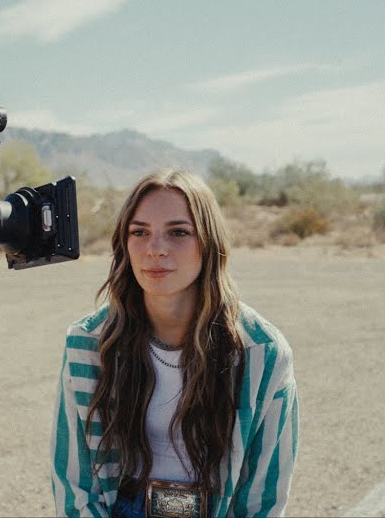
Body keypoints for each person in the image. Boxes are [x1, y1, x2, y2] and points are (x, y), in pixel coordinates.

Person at [50, 169, 298, 517]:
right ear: (125, 244)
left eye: (178, 232)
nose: (155, 249)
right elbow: (73, 483)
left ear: (209, 242)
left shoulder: (262, 353)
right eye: (140, 232)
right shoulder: (89, 342)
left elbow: (262, 499)